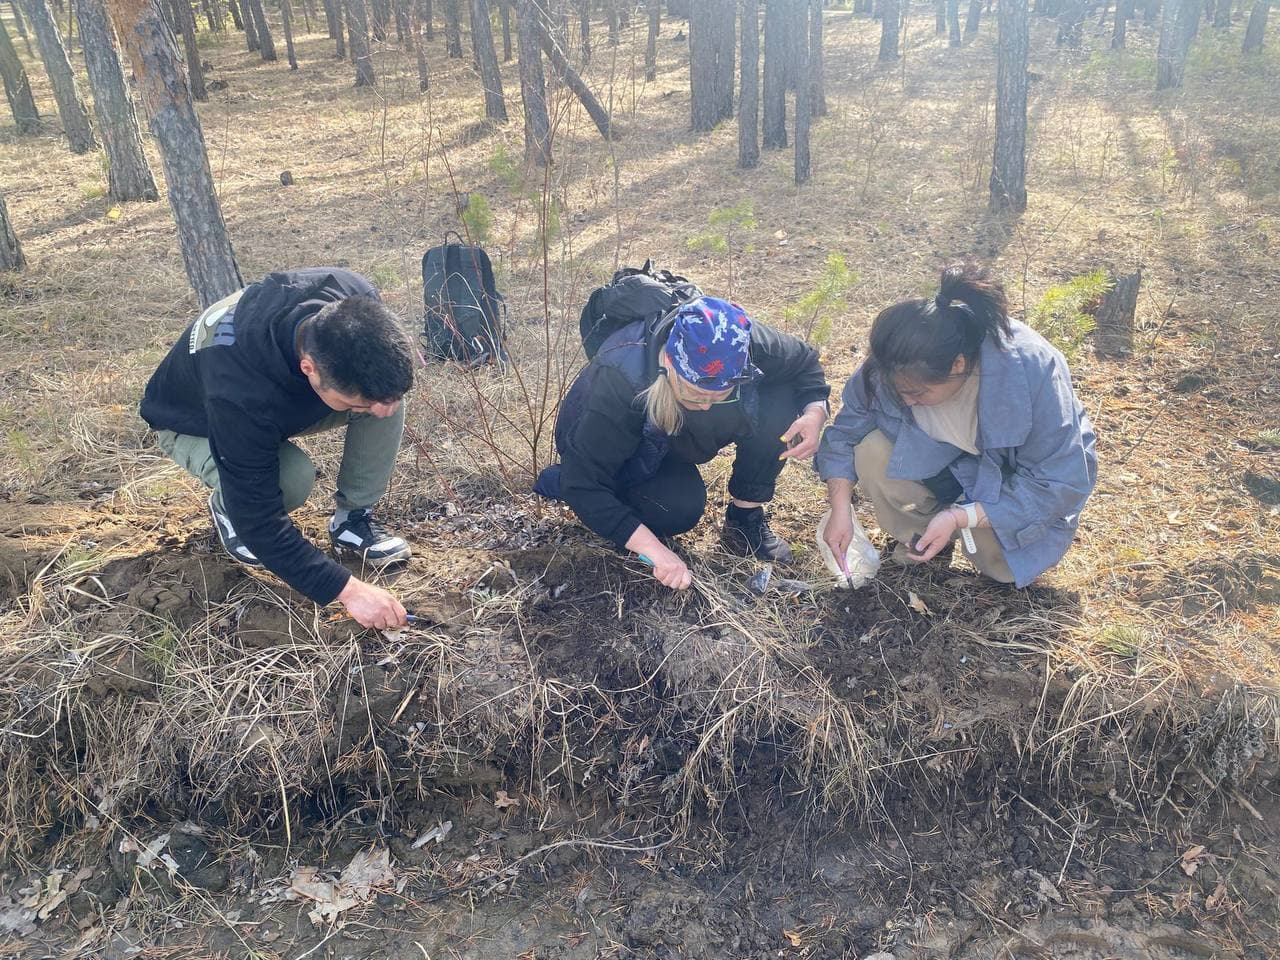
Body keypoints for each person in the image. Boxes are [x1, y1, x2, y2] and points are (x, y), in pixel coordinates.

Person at [140, 268, 415, 630]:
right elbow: (262, 525)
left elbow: (377, 381)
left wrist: (374, 397)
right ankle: (227, 509)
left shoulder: (353, 296)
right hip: (193, 421)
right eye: (354, 402)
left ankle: (352, 520)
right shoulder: (238, 390)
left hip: (279, 402)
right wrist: (350, 592)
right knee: (291, 478)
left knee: (383, 399)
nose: (380, 411)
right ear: (309, 369)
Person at [816, 264, 1096, 587]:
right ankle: (922, 540)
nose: (906, 402)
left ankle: (965, 535)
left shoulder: (1030, 369)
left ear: (958, 365)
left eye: (918, 393)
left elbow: (1059, 482)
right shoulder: (893, 363)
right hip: (940, 463)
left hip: (1005, 483)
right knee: (871, 450)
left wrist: (961, 516)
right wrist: (840, 509)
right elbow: (844, 437)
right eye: (899, 393)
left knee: (1001, 566)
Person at [534, 296, 831, 590]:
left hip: (671, 431)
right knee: (676, 509)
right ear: (668, 361)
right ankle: (588, 486)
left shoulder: (741, 341)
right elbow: (583, 484)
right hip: (620, 444)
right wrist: (653, 549)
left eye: (718, 395)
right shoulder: (622, 379)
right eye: (695, 393)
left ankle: (745, 518)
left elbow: (804, 361)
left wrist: (815, 412)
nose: (705, 406)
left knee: (780, 398)